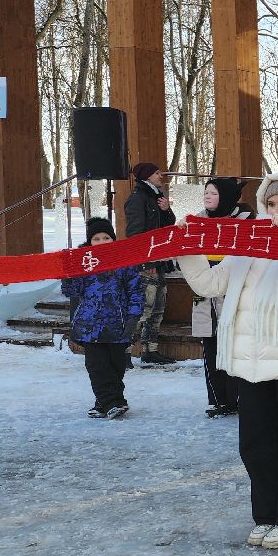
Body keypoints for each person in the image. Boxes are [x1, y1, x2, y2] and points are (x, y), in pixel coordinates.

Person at [177, 174, 278, 550]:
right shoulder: (248, 242)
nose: (277, 212)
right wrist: (186, 246)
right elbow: (210, 284)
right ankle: (266, 515)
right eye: (272, 204)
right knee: (256, 445)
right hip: (252, 360)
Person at [61, 218, 144, 420]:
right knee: (97, 366)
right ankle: (113, 402)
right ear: (90, 242)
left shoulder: (125, 262)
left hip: (118, 323)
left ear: (113, 239)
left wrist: (134, 315)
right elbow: (71, 290)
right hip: (91, 326)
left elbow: (135, 291)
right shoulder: (84, 262)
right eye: (96, 239)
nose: (102, 242)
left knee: (115, 366)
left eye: (106, 238)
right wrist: (68, 274)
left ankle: (105, 403)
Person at [191, 177, 252, 418]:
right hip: (206, 294)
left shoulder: (246, 221)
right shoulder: (198, 220)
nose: (207, 197)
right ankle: (218, 399)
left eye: (213, 193)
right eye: (206, 192)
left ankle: (241, 397)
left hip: (234, 291)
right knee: (211, 347)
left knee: (235, 347)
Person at [124, 161, 176, 365]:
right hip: (147, 263)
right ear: (146, 176)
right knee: (142, 309)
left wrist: (167, 210)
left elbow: (167, 228)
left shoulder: (157, 197)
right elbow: (135, 235)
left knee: (157, 308)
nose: (160, 175)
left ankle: (149, 349)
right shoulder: (138, 199)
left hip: (160, 260)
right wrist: (144, 262)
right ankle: (125, 351)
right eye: (156, 173)